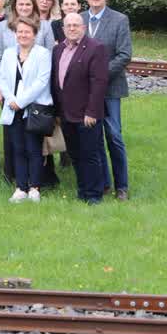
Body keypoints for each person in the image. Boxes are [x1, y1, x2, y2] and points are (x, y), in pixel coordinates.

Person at [50, 12, 109, 203]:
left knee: (90, 155)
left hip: (87, 115)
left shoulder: (95, 48)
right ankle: (82, 190)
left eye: (76, 25)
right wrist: (57, 113)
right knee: (75, 154)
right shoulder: (58, 50)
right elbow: (56, 83)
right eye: (69, 25)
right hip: (66, 114)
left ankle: (94, 195)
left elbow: (99, 83)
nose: (72, 28)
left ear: (83, 28)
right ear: (63, 28)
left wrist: (92, 112)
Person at [85, 0, 133, 200]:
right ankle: (102, 182)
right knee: (93, 138)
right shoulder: (79, 19)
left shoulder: (119, 20)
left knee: (114, 136)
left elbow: (124, 55)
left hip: (111, 89)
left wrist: (100, 75)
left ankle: (121, 186)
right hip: (86, 91)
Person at [0, 17, 51, 202]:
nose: (23, 35)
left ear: (35, 34)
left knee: (33, 148)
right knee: (18, 148)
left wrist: (21, 101)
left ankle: (34, 187)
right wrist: (11, 100)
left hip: (33, 107)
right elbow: (2, 78)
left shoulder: (42, 54)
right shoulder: (9, 53)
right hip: (13, 107)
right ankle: (21, 187)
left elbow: (42, 82)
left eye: (27, 32)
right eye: (20, 31)